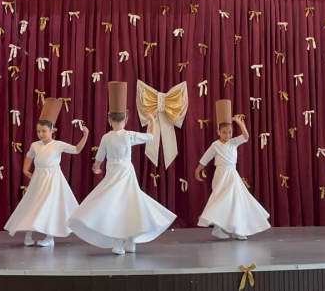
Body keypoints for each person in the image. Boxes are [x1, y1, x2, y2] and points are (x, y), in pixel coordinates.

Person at [68, 81, 177, 255]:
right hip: (126, 171)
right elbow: (150, 137)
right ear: (126, 119)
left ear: (109, 120)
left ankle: (120, 243)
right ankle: (130, 241)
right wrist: (151, 120)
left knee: (115, 205)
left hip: (113, 173)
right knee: (130, 204)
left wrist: (96, 167)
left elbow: (99, 157)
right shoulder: (129, 135)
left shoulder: (106, 137)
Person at [4, 98, 88, 247]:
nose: (41, 134)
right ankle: (28, 236)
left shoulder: (58, 145)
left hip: (53, 179)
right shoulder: (35, 145)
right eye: (38, 131)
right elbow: (29, 155)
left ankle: (50, 237)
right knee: (32, 204)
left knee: (50, 206)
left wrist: (85, 136)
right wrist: (25, 169)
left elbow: (76, 150)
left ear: (51, 130)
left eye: (44, 131)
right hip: (39, 177)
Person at [195, 100, 270, 240]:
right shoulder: (215, 145)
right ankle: (218, 228)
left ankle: (237, 230)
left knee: (236, 201)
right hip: (221, 174)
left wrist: (239, 122)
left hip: (232, 174)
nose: (227, 135)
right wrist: (198, 170)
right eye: (224, 133)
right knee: (222, 200)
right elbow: (205, 158)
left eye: (229, 132)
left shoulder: (234, 142)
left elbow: (246, 136)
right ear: (218, 132)